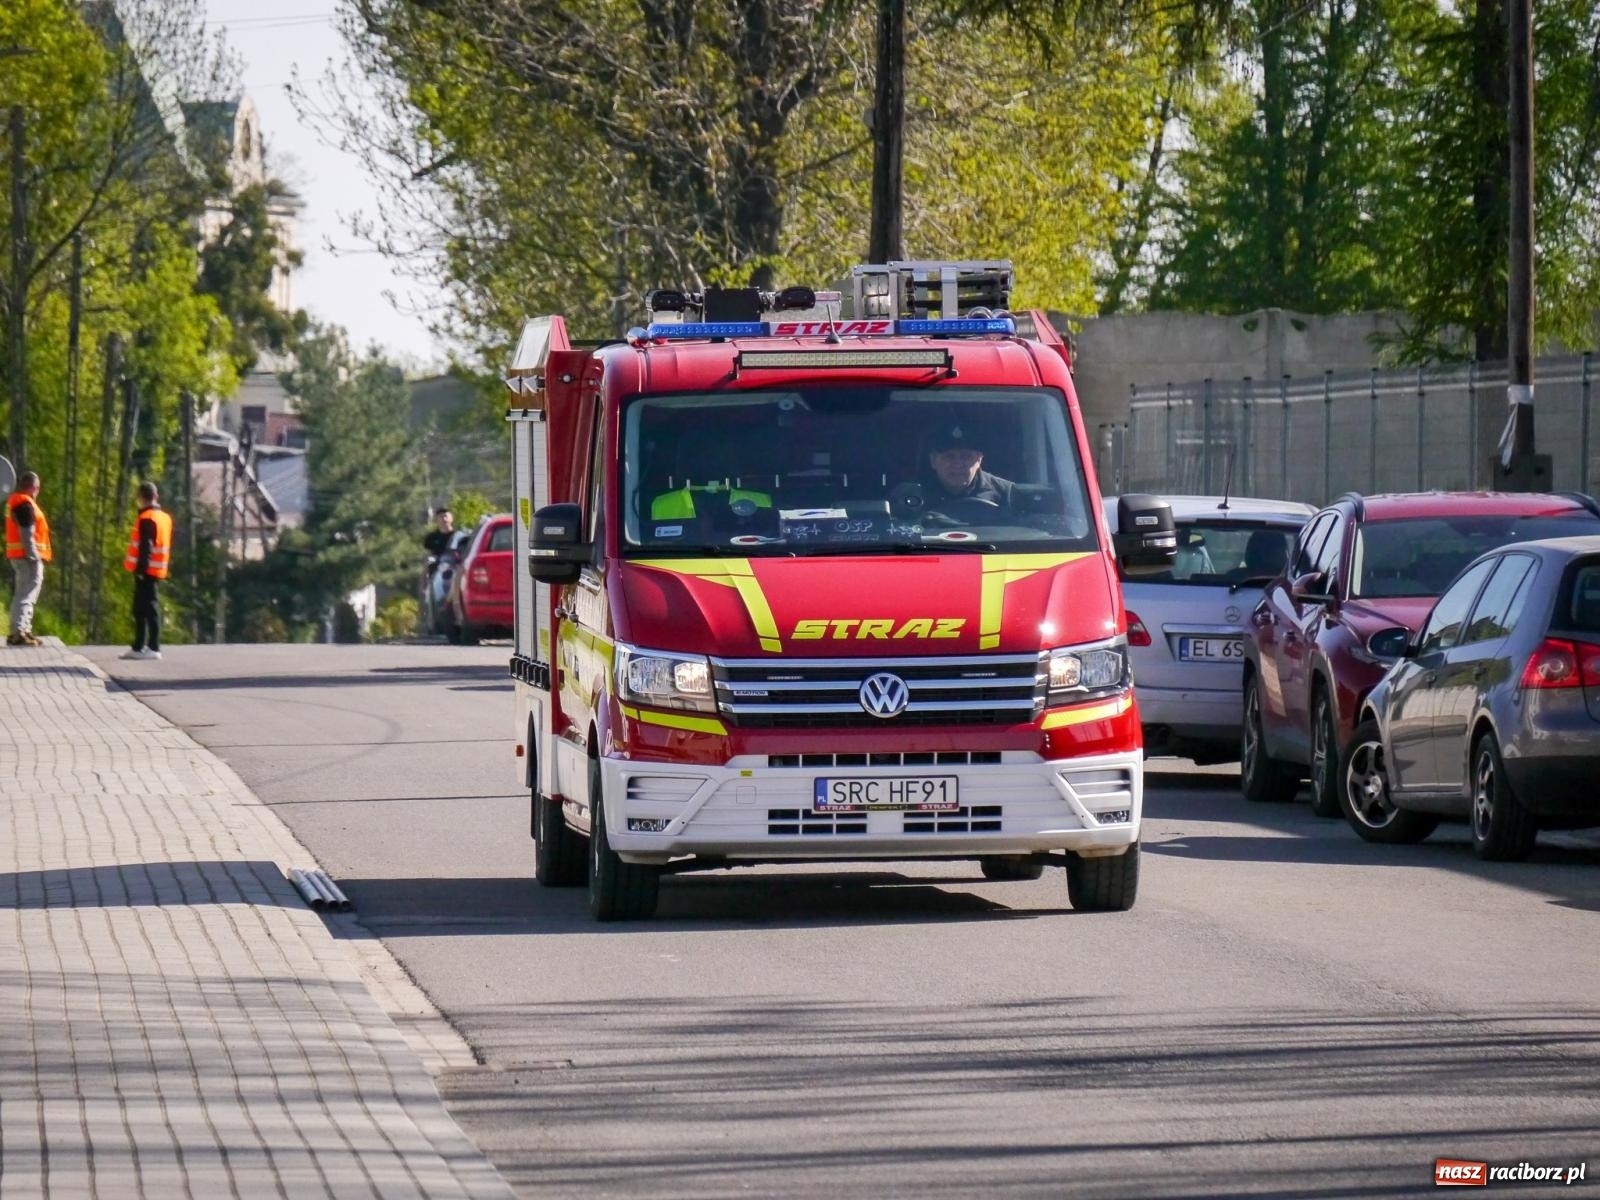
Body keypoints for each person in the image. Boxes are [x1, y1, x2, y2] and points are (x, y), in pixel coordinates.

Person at [120, 481, 172, 661]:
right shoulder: (164, 517)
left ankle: (153, 646)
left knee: (148, 608)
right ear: (156, 496)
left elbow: (146, 546)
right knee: (141, 608)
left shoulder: (147, 518)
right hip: (155, 568)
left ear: (140, 498)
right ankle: (139, 646)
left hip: (146, 570)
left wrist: (141, 569)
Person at [5, 470, 50, 647]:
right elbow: (27, 533)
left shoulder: (16, 502)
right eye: (37, 488)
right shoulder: (25, 504)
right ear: (33, 488)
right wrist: (34, 556)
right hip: (27, 557)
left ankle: (22, 629)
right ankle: (19, 632)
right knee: (27, 595)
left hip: (18, 555)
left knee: (22, 594)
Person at [923, 423, 1014, 509]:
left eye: (966, 457)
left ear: (979, 460)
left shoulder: (1007, 494)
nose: (958, 464)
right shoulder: (917, 496)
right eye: (949, 456)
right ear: (933, 460)